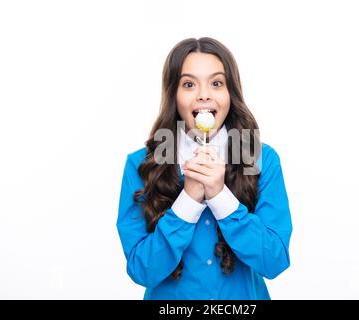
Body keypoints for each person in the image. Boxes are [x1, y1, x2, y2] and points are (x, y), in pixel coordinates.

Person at [116, 37, 292, 300]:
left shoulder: (261, 158)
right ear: (173, 95)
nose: (204, 94)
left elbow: (275, 260)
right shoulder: (141, 164)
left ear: (230, 93)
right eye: (188, 84)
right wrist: (188, 199)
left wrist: (220, 196)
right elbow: (142, 270)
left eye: (217, 83)